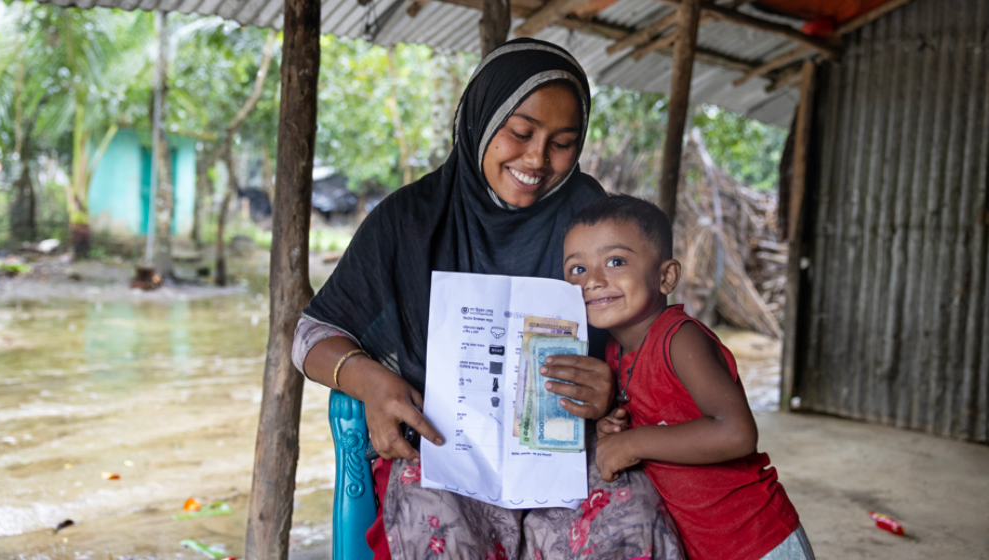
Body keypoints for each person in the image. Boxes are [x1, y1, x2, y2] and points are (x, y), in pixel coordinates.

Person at [292, 40, 682, 559]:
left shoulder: (594, 218)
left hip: (570, 448)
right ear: (479, 119)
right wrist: (369, 380)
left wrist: (611, 386)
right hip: (443, 450)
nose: (537, 159)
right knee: (439, 529)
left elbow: (651, 333)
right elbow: (310, 335)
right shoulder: (410, 221)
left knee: (627, 521)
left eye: (563, 142)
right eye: (520, 133)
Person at [561, 195, 814, 560]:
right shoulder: (616, 353)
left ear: (666, 277)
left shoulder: (680, 339)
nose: (594, 281)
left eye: (615, 262)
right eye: (577, 269)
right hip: (702, 545)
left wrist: (632, 444)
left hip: (756, 540)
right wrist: (614, 431)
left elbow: (737, 432)